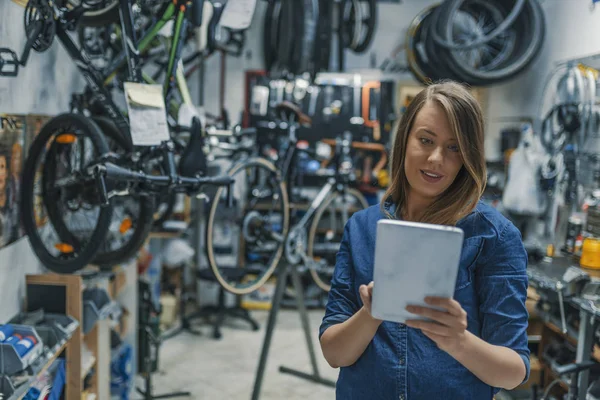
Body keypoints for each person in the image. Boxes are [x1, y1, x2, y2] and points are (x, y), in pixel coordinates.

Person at [319, 81, 529, 399]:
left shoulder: (494, 237)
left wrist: (458, 340)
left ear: (468, 155)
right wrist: (372, 313)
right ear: (405, 140)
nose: (435, 158)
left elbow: (513, 373)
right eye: (426, 140)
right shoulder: (362, 227)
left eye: (454, 147)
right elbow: (335, 354)